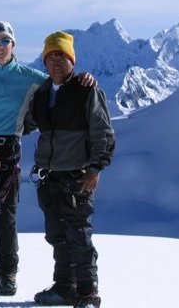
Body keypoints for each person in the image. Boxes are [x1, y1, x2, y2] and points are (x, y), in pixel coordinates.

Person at [0, 21, 94, 301]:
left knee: (7, 217)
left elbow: (60, 82)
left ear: (13, 45)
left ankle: (8, 275)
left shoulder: (31, 78)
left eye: (4, 41)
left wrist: (84, 79)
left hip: (7, 149)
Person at [27, 31, 115, 308]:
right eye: (51, 57)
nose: (55, 62)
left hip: (77, 177)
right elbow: (26, 124)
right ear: (44, 62)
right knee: (57, 236)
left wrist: (95, 168)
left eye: (62, 57)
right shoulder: (40, 94)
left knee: (79, 237)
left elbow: (103, 133)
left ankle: (88, 294)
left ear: (72, 61)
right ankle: (65, 288)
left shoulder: (87, 90)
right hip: (48, 177)